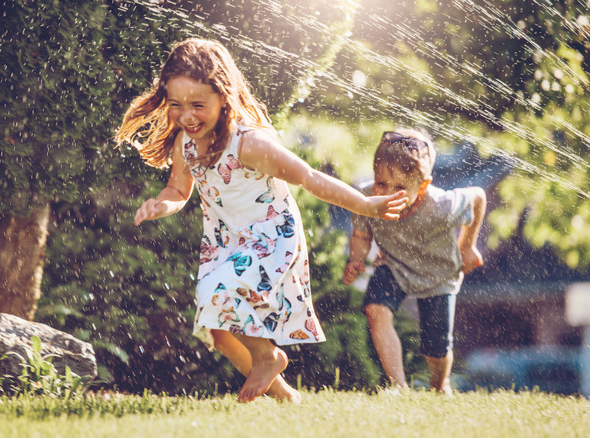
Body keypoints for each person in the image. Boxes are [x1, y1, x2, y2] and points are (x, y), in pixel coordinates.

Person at [115, 38, 408, 403]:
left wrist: (365, 204)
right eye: (176, 105)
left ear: (224, 97)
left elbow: (309, 177)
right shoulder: (185, 144)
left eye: (198, 105)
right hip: (226, 243)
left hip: (270, 237)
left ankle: (268, 357)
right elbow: (178, 189)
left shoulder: (249, 144)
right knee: (218, 332)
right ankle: (286, 397)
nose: (186, 115)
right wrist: (162, 204)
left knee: (214, 295)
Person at [343, 128, 487, 395]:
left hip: (438, 275)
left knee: (435, 347)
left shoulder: (443, 205)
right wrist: (357, 258)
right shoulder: (367, 199)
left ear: (422, 186)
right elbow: (362, 233)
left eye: (399, 187)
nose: (387, 193)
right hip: (394, 265)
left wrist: (467, 246)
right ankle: (398, 387)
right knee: (376, 310)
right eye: (381, 183)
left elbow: (479, 196)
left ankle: (439, 383)